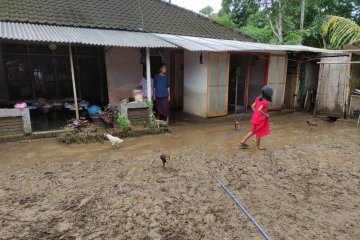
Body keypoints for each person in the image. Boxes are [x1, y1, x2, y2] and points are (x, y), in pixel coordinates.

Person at [240, 85, 273, 150]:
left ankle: (243, 141)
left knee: (253, 131)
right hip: (260, 120)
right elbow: (259, 109)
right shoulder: (265, 101)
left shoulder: (258, 98)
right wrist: (266, 115)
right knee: (259, 133)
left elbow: (252, 106)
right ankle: (258, 147)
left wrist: (256, 113)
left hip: (254, 118)